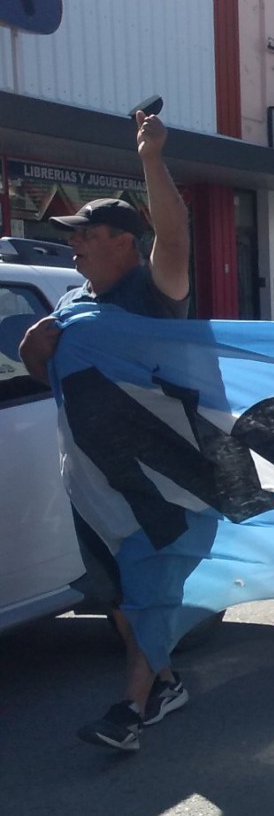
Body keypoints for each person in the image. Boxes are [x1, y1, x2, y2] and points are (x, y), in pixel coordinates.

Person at [20, 110, 192, 754]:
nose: (75, 243)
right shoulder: (71, 303)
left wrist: (151, 159)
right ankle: (167, 682)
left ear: (123, 240)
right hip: (91, 480)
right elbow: (46, 377)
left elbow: (174, 240)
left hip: (156, 476)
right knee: (118, 594)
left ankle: (131, 706)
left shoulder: (153, 293)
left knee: (146, 585)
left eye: (85, 232)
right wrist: (38, 348)